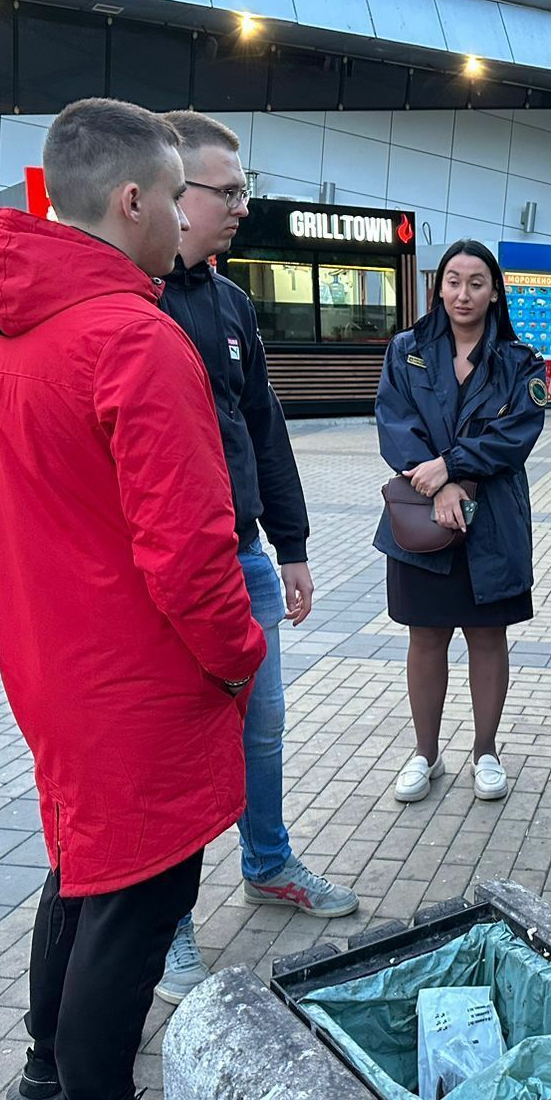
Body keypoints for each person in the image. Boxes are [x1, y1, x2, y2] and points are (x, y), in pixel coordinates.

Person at [0, 99, 266, 1100]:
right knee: (136, 900)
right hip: (136, 678)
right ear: (132, 199)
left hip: (50, 664)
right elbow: (188, 554)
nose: (185, 216)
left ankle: (45, 1070)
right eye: (178, 196)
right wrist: (239, 658)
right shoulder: (133, 338)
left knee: (81, 869)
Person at [153, 111, 358, 1007]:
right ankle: (166, 928)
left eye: (244, 188)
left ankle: (268, 863)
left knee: (262, 733)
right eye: (226, 191)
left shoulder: (230, 303)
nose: (242, 205)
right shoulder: (133, 305)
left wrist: (295, 547)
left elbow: (264, 431)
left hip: (245, 562)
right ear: (169, 193)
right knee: (178, 752)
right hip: (169, 579)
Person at [375, 239, 547, 804]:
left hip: (491, 522)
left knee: (486, 637)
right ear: (438, 286)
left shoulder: (521, 362)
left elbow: (514, 437)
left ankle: (486, 751)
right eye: (453, 280)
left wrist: (452, 465)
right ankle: (425, 752)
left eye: (476, 282)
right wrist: (441, 482)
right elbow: (394, 423)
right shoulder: (407, 350)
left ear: (495, 291)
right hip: (421, 517)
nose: (463, 293)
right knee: (424, 637)